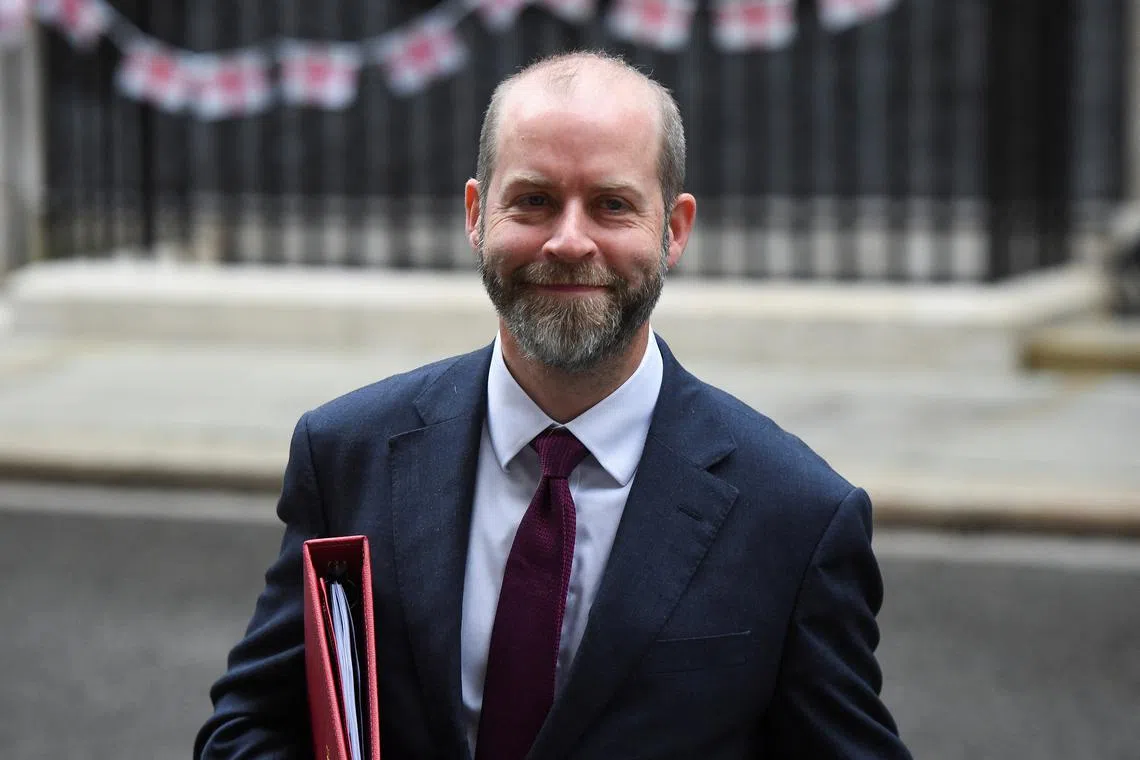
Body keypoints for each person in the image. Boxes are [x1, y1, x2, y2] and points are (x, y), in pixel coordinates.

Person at [195, 50, 912, 760]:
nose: (570, 242)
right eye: (534, 201)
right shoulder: (346, 452)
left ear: (675, 230)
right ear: (477, 214)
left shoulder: (797, 514)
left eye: (612, 205)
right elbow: (250, 729)